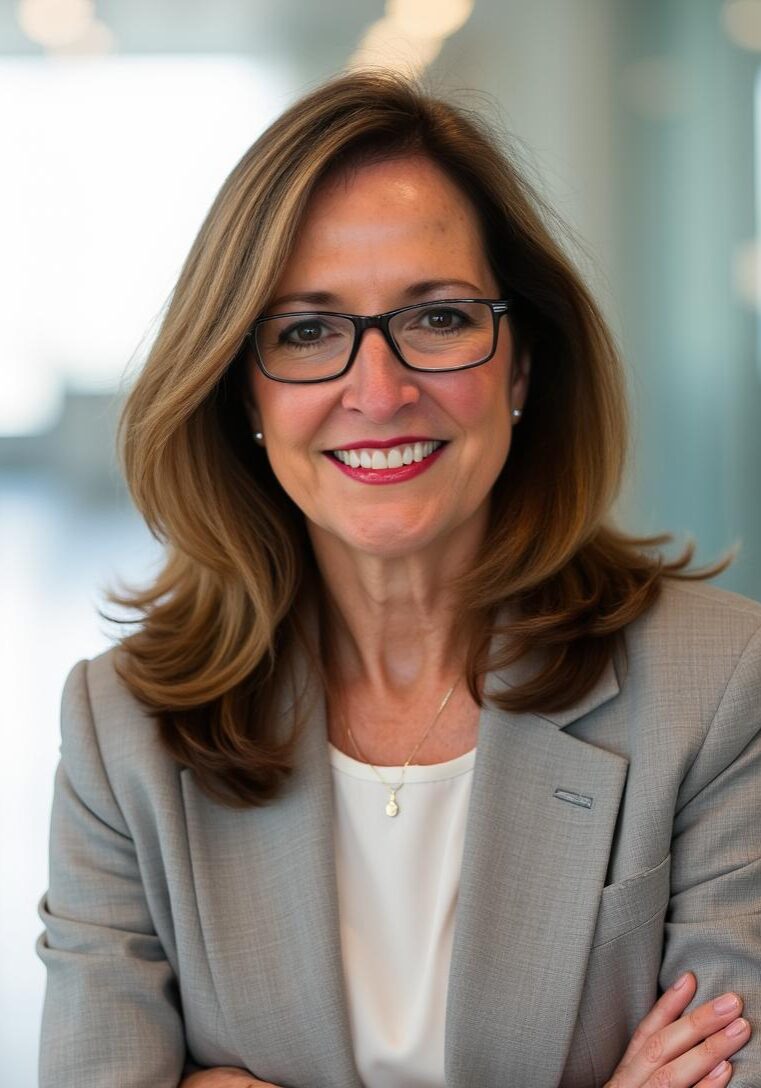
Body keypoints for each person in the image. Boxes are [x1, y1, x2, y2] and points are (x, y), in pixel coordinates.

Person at [36, 71, 761, 1088]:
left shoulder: (721, 683)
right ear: (240, 384)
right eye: (305, 331)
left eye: (437, 317)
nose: (376, 390)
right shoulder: (125, 731)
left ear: (519, 364)